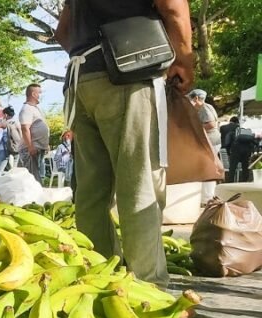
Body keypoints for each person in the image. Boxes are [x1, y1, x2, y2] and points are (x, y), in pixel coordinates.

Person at [56, 0, 194, 287]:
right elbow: (173, 8)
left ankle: (98, 280)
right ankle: (148, 288)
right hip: (129, 74)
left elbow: (63, 32)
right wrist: (183, 60)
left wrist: (94, 52)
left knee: (91, 193)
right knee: (139, 186)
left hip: (81, 80)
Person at [189, 89, 221, 203]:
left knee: (207, 169)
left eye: (191, 99)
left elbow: (211, 124)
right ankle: (207, 197)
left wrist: (195, 128)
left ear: (196, 98)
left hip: (210, 142)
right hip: (213, 142)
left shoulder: (204, 108)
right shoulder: (208, 107)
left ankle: (207, 198)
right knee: (207, 168)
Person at [18, 84, 50, 183]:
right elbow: (25, 128)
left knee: (35, 176)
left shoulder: (35, 109)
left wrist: (46, 144)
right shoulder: (26, 108)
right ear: (33, 94)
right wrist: (30, 146)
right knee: (32, 178)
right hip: (30, 149)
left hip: (38, 148)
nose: (41, 95)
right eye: (39, 93)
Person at [0, 106, 20, 176]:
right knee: (14, 172)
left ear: (5, 115)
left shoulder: (3, 123)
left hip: (4, 149)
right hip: (16, 148)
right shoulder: (17, 122)